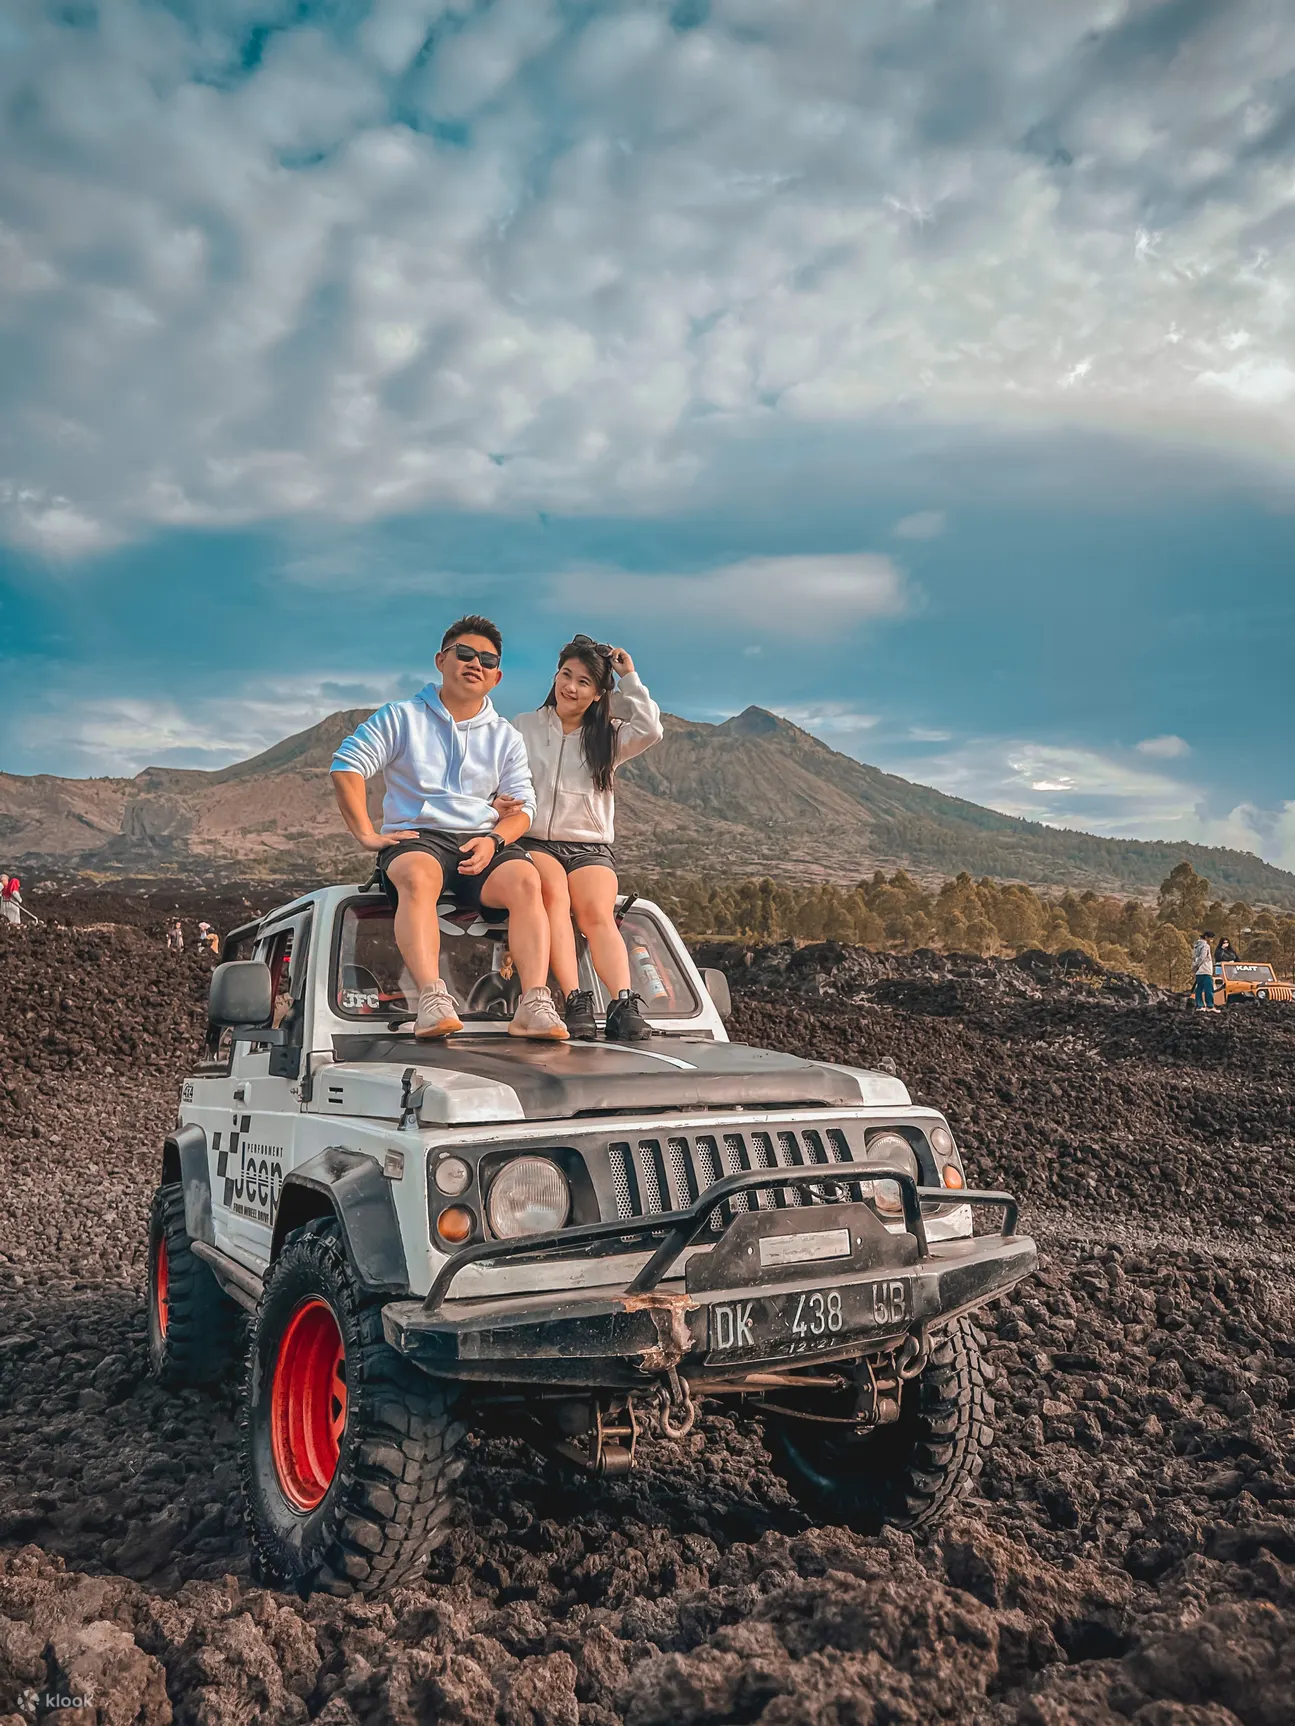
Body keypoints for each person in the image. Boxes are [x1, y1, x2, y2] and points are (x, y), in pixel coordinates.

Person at [330, 615, 566, 1041]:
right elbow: (347, 765)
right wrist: (366, 834)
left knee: (527, 881)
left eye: (487, 660)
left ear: (497, 677)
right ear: (441, 660)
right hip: (418, 838)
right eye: (465, 653)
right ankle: (432, 998)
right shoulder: (401, 717)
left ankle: (533, 1003)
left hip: (482, 841)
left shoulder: (506, 736)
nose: (476, 663)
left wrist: (495, 839)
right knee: (418, 877)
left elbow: (524, 807)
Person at [508, 634, 664, 1041]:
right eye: (566, 675)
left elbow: (651, 729)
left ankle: (623, 1004)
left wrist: (629, 677)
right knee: (555, 902)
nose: (571, 687)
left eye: (583, 682)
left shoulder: (609, 736)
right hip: (535, 841)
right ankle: (575, 999)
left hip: (590, 845)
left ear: (597, 694)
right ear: (555, 676)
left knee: (597, 913)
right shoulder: (523, 726)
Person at [1192, 930, 1220, 1012]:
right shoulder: (1206, 946)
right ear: (1206, 937)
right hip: (1205, 970)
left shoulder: (1196, 946)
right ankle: (1210, 1006)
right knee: (1209, 988)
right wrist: (1197, 966)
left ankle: (1200, 1005)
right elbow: (1202, 957)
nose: (1212, 940)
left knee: (1199, 988)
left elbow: (1194, 957)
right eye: (1211, 938)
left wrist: (1194, 967)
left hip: (1199, 972)